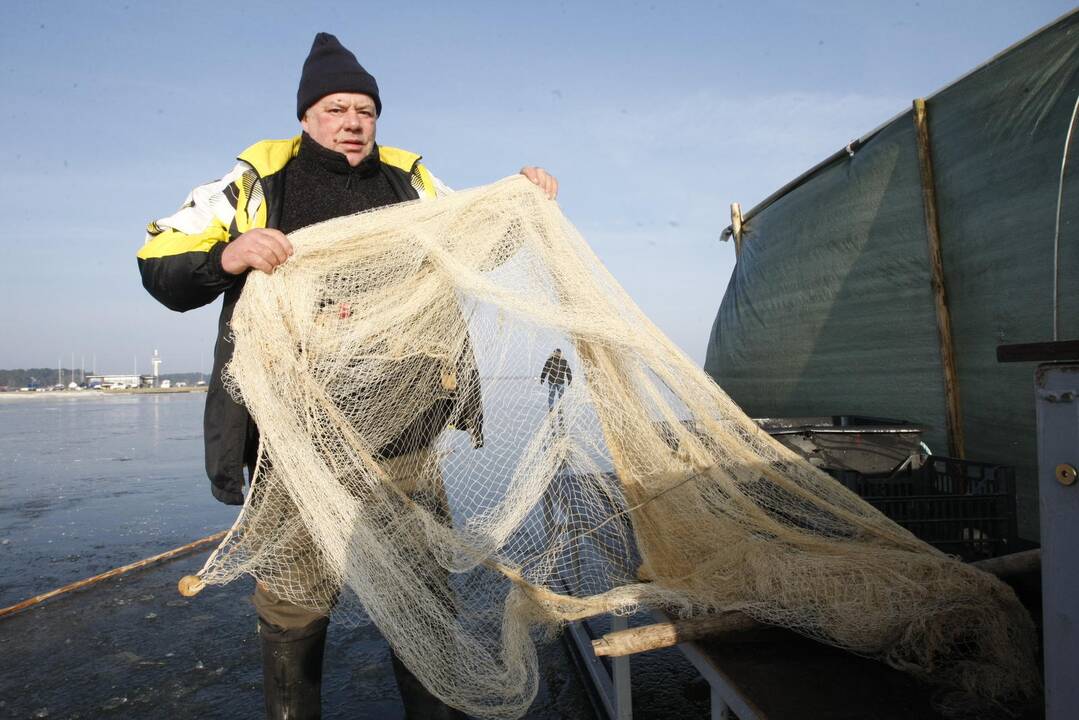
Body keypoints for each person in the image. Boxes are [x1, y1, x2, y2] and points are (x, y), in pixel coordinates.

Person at [137, 32, 558, 720]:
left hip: (406, 438)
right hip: (293, 442)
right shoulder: (254, 179)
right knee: (294, 598)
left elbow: (475, 244)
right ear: (306, 116)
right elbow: (161, 265)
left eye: (364, 109)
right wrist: (231, 252)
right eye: (335, 109)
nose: (352, 122)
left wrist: (521, 204)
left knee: (422, 595)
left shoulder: (410, 180)